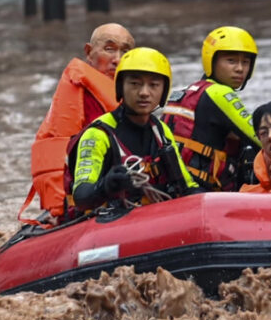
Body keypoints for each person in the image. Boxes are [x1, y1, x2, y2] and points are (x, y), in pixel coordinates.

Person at [20, 23, 135, 222]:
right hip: (82, 200)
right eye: (109, 49)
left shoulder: (135, 96)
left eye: (125, 51)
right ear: (89, 53)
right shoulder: (82, 96)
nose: (118, 60)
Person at [67, 47, 200, 212]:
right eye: (135, 84)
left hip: (155, 220)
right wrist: (106, 185)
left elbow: (188, 186)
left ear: (163, 91)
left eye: (153, 85)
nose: (144, 93)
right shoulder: (98, 134)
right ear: (120, 87)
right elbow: (82, 197)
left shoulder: (161, 132)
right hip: (108, 225)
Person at [163, 26, 261, 191]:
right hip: (203, 193)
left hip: (173, 188)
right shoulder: (219, 93)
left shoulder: (189, 92)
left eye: (245, 62)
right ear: (211, 61)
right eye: (231, 61)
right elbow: (261, 138)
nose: (240, 69)